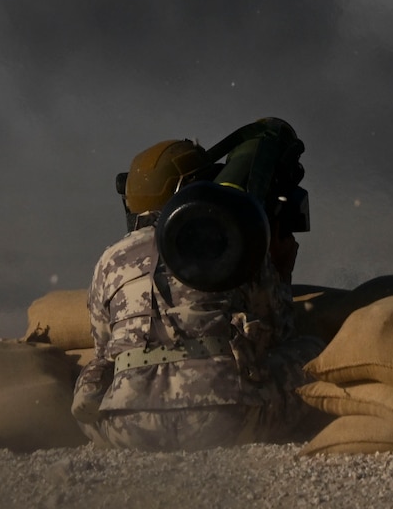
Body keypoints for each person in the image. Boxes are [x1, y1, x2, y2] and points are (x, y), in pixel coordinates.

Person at [71, 135, 326, 450]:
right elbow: (279, 332)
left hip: (130, 427)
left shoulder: (109, 260)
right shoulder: (233, 241)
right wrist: (282, 272)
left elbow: (103, 349)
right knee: (312, 352)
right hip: (227, 419)